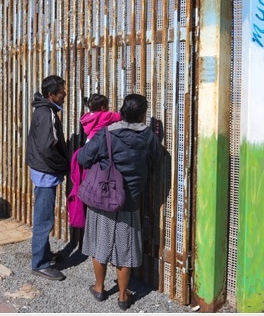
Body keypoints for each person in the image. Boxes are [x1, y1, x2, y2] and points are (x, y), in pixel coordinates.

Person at [77, 93, 164, 310]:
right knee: (125, 249)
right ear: (143, 114)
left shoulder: (108, 133)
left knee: (100, 243)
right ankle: (123, 296)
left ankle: (99, 288)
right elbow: (156, 164)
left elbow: (83, 158)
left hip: (104, 198)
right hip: (130, 201)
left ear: (123, 110)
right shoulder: (149, 137)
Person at [26, 75, 69, 281]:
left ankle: (43, 255)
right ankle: (40, 264)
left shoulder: (43, 110)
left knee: (43, 217)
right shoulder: (47, 114)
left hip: (41, 170)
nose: (65, 94)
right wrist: (63, 164)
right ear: (51, 95)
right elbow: (47, 147)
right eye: (61, 91)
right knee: (44, 220)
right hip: (45, 172)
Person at [67, 94, 121, 244]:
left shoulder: (86, 118)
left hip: (88, 145)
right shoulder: (104, 116)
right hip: (99, 148)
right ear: (103, 107)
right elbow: (119, 116)